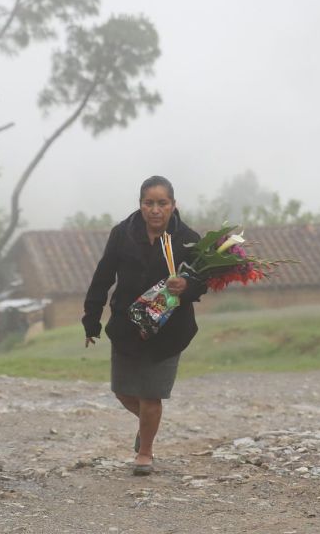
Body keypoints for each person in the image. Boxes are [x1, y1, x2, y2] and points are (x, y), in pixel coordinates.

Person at [82, 175, 207, 476]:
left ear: (173, 206)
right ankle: (147, 425)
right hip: (128, 325)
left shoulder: (188, 239)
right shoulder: (122, 234)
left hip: (169, 330)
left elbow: (203, 283)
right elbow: (103, 277)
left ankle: (145, 452)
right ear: (140, 205)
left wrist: (186, 286)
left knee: (152, 394)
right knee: (123, 390)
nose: (155, 210)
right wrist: (91, 319)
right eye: (149, 203)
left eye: (162, 203)